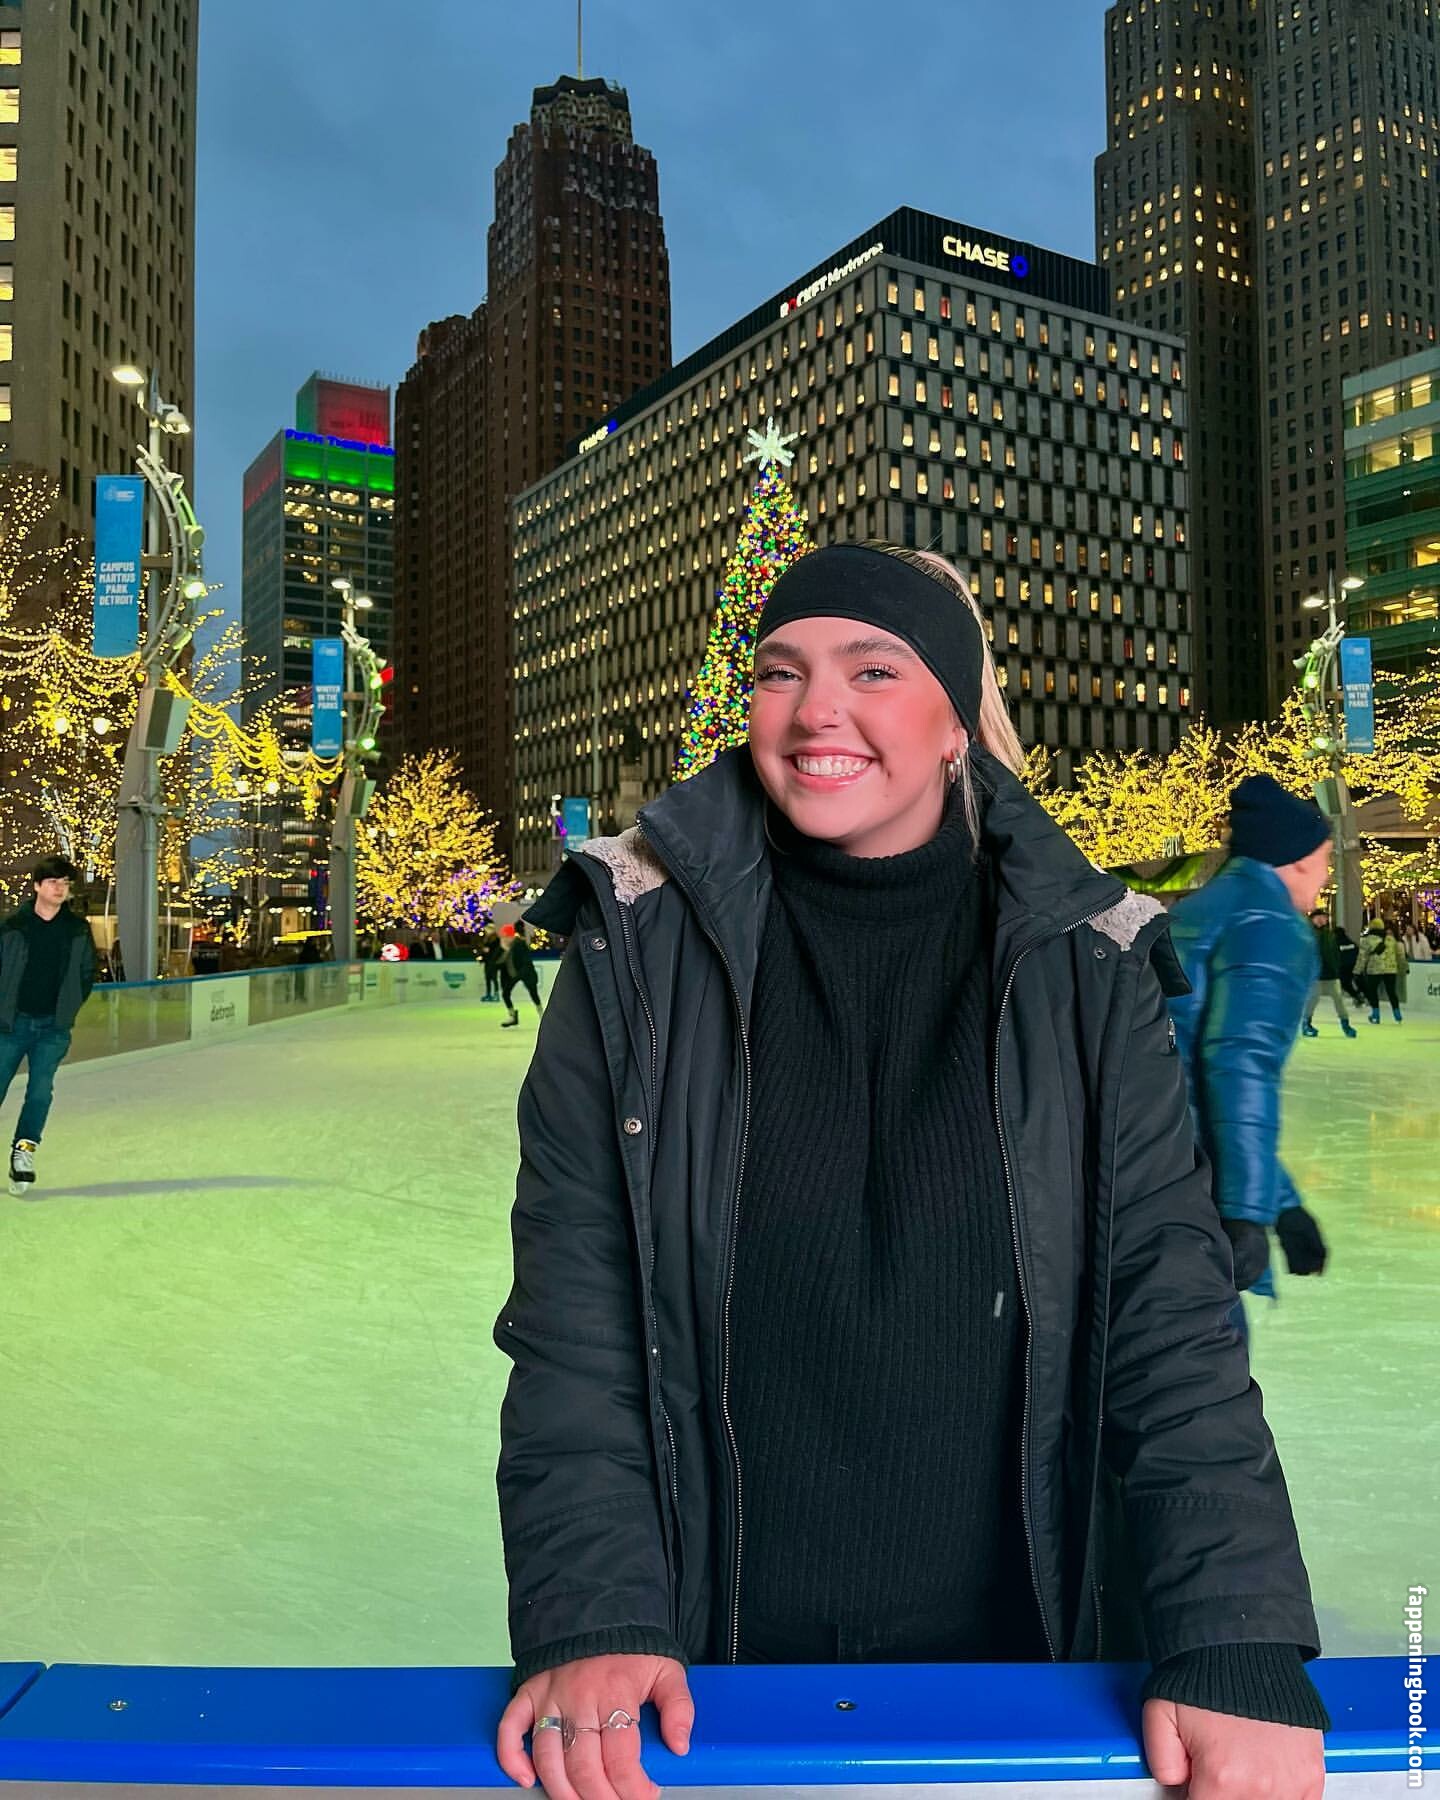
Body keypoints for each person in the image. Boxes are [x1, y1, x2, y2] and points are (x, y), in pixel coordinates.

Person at [494, 544, 1328, 1800]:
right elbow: (580, 1320)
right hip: (710, 1685)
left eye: (874, 670)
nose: (815, 710)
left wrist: (1235, 1631)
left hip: (1026, 1672)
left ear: (955, 722)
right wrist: (595, 1610)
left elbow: (1167, 1316)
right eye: (781, 672)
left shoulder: (1089, 963)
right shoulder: (636, 948)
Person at [1167, 778, 1332, 1314]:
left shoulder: (1198, 909)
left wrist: (1283, 1206)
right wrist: (1245, 1214)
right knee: (1204, 1344)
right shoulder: (1271, 923)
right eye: (1326, 860)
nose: (1327, 876)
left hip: (1144, 1153)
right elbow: (1240, 1066)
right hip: (1184, 1185)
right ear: (1298, 860)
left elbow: (1196, 1077)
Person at [0, 854, 97, 1197]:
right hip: (10, 1026)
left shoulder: (77, 930)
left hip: (52, 1029)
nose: (60, 889)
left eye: (65, 884)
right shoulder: (12, 927)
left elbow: (86, 974)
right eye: (53, 882)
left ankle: (23, 1152)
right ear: (37, 886)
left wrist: (67, 1009)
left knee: (40, 1092)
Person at [1302, 908, 1358, 1038]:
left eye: (1324, 918)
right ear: (1313, 919)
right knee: (1313, 1000)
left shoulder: (1330, 934)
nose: (1322, 920)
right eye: (1318, 918)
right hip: (1317, 974)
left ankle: (1345, 1024)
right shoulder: (1308, 934)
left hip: (1331, 974)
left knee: (1338, 999)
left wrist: (1337, 967)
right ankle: (1306, 1023)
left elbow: (1335, 953)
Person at [1355, 917, 1405, 1023]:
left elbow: (1362, 957)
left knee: (1372, 991)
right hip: (1390, 969)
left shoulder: (1366, 940)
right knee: (1391, 992)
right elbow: (1400, 954)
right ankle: (1397, 1014)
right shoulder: (1391, 939)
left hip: (1374, 969)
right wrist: (1404, 967)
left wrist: (1357, 971)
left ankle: (1375, 1014)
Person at [498, 922, 542, 1029]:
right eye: (503, 937)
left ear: (511, 936)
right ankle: (513, 1016)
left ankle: (542, 1014)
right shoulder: (507, 947)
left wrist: (519, 975)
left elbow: (526, 962)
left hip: (527, 973)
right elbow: (500, 962)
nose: (504, 939)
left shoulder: (519, 944)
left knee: (533, 994)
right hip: (515, 974)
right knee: (505, 993)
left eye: (506, 936)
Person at [479, 925, 505, 1003]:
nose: (486, 931)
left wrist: (490, 954)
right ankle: (488, 994)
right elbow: (485, 950)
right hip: (487, 962)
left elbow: (498, 951)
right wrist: (482, 958)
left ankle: (496, 994)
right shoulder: (486, 939)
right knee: (487, 978)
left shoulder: (496, 940)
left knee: (494, 978)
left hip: (493, 962)